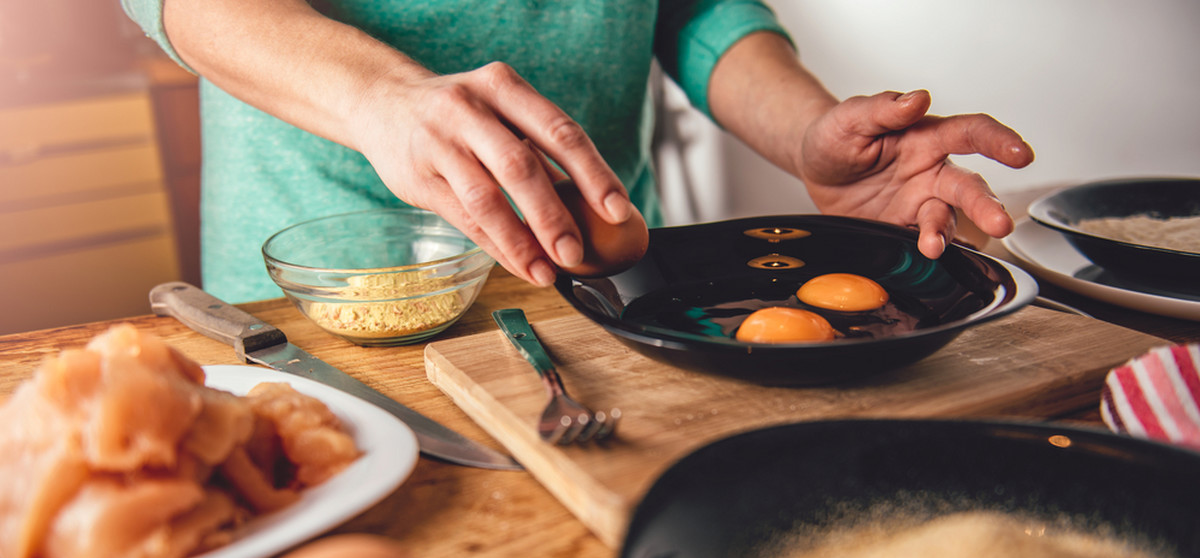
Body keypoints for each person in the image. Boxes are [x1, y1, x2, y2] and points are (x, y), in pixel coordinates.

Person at [122, 0, 1034, 304]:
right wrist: (379, 99)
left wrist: (808, 132)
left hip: (610, 287)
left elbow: (690, 7)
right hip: (329, 297)